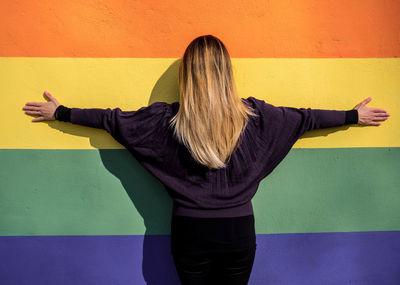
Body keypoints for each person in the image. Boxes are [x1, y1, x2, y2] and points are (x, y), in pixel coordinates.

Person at [22, 35, 389, 285]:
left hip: (190, 234)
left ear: (187, 75)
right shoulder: (257, 119)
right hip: (238, 233)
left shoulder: (163, 123)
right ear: (227, 73)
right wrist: (352, 116)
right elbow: (305, 118)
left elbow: (112, 120)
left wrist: (62, 112)